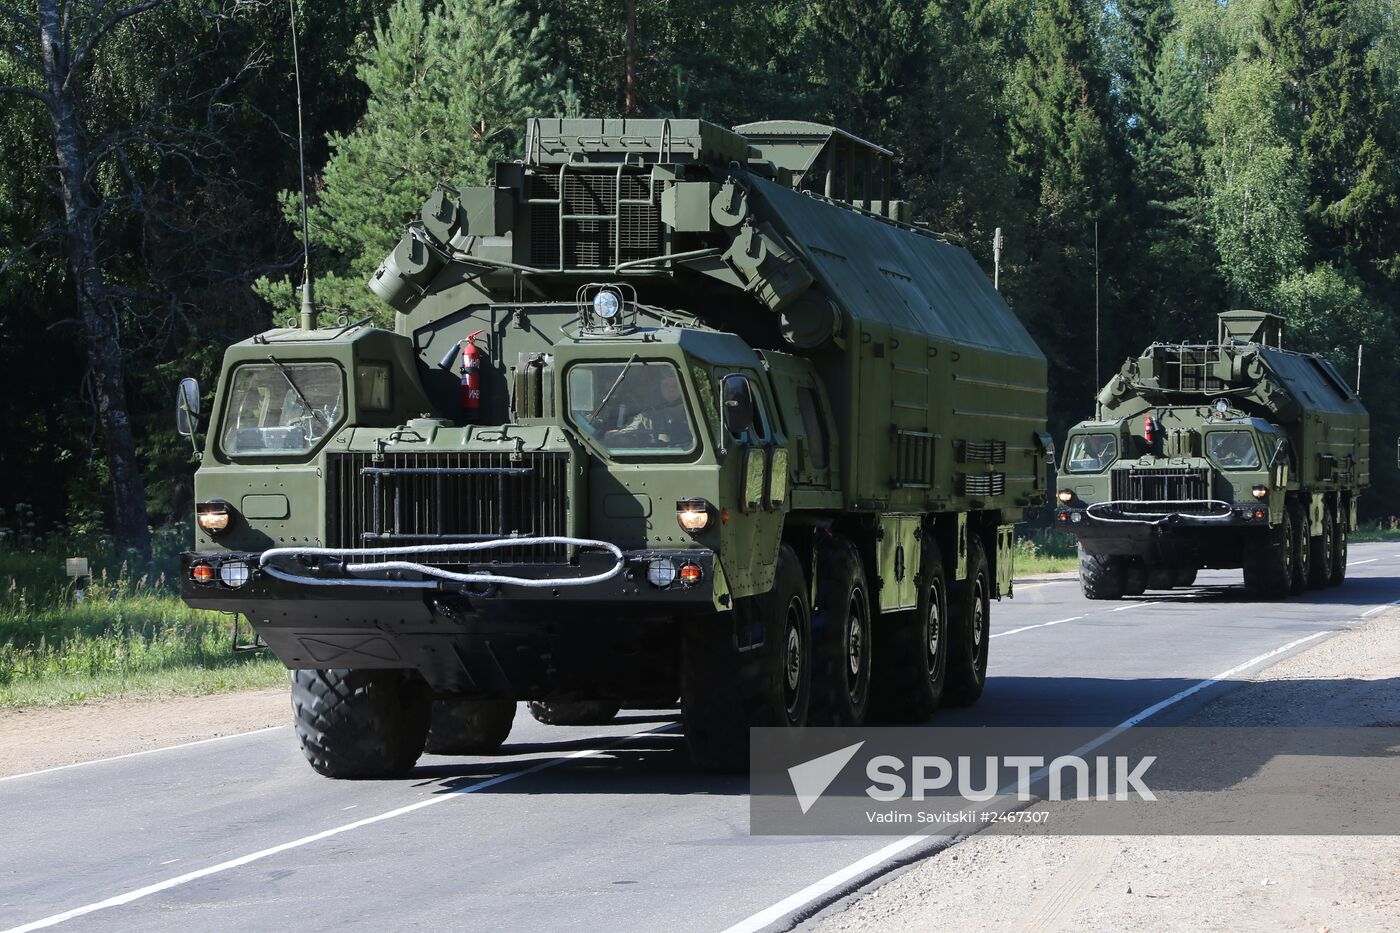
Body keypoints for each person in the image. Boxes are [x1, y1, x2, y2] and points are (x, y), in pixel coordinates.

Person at [604, 369, 693, 449]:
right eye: (665, 384)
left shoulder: (695, 416)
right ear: (660, 387)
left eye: (675, 384)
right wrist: (619, 436)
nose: (671, 389)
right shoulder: (649, 417)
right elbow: (633, 430)